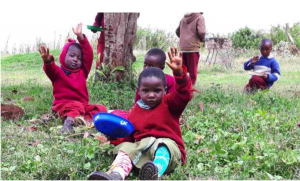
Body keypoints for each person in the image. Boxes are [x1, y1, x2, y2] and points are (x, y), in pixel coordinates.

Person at [88, 48, 193, 180]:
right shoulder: (134, 112)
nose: (151, 95)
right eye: (146, 90)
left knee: (163, 146)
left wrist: (180, 75)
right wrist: (114, 138)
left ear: (165, 90)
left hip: (169, 150)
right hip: (143, 149)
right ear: (139, 91)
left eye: (157, 90)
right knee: (125, 149)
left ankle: (155, 173)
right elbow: (129, 136)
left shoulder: (170, 103)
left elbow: (184, 94)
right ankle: (115, 174)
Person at [39, 23, 107, 133]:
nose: (75, 59)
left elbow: (89, 55)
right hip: (62, 107)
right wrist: (48, 62)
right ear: (63, 56)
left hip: (82, 107)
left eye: (79, 58)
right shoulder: (58, 72)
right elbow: (50, 70)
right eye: (72, 56)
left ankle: (84, 121)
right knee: (75, 106)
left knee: (101, 108)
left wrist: (80, 37)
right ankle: (68, 124)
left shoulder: (82, 71)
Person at [176, 12, 206, 85]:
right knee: (193, 70)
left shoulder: (183, 19)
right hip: (193, 47)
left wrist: (184, 38)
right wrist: (202, 40)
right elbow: (202, 32)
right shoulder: (200, 17)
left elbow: (177, 31)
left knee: (183, 69)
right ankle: (191, 87)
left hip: (183, 47)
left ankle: (183, 85)